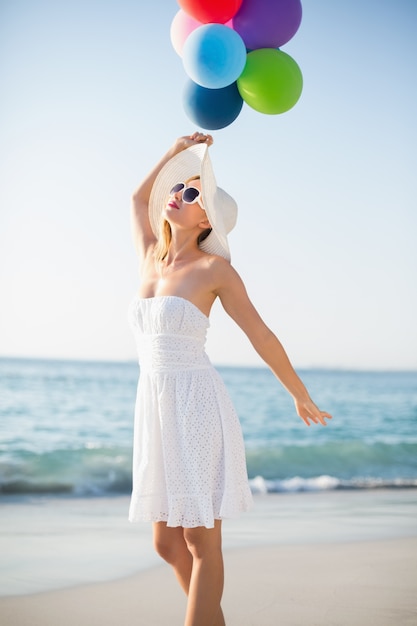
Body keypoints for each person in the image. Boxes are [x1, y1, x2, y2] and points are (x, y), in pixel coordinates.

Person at [128, 131, 332, 626]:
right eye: (179, 189)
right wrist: (175, 154)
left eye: (192, 193)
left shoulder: (216, 270)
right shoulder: (151, 255)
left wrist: (298, 393)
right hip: (155, 408)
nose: (177, 194)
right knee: (164, 542)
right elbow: (138, 198)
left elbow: (261, 334)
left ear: (207, 219)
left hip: (196, 405)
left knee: (200, 539)